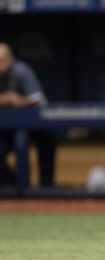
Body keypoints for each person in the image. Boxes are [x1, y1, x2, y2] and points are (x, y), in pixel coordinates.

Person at [0, 43, 56, 187]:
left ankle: (46, 187)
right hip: (4, 128)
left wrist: (20, 101)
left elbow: (39, 101)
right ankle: (13, 185)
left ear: (11, 59)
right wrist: (7, 99)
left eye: (2, 60)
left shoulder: (21, 71)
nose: (0, 64)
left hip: (29, 125)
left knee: (47, 138)